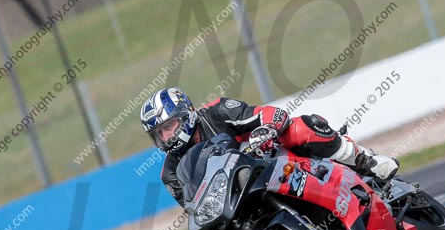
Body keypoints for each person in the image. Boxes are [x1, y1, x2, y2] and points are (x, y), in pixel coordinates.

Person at [140, 87, 399, 207]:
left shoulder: (217, 112)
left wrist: (264, 131)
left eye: (169, 126)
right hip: (240, 198)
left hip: (269, 160)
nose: (166, 136)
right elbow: (192, 207)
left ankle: (366, 162)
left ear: (187, 114)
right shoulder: (170, 172)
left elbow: (272, 114)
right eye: (158, 133)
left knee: (300, 127)